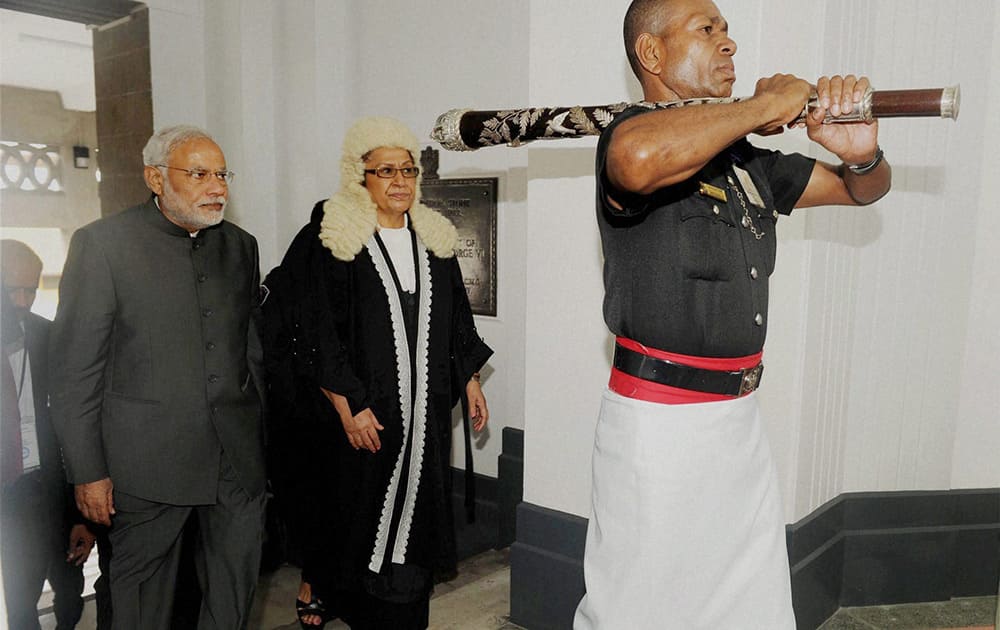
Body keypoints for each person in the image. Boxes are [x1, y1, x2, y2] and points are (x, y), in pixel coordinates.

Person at [573, 1, 891, 628]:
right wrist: (763, 106)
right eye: (707, 29)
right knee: (638, 612)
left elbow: (862, 191)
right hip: (657, 429)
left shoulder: (747, 162)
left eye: (727, 29)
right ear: (652, 55)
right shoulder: (631, 136)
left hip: (739, 424)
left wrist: (860, 155)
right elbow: (636, 164)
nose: (729, 44)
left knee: (752, 607)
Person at [262, 116, 492, 629]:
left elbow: (456, 314)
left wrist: (471, 378)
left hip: (423, 417)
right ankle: (331, 586)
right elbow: (314, 329)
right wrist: (348, 406)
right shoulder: (334, 237)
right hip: (361, 414)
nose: (400, 181)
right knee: (352, 513)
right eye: (385, 170)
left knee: (414, 523)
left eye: (407, 170)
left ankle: (401, 607)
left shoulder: (432, 239)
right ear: (358, 175)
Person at [48, 125, 267, 630]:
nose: (217, 187)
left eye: (221, 174)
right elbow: (75, 373)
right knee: (138, 606)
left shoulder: (241, 246)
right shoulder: (103, 245)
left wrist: (261, 447)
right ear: (155, 177)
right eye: (198, 174)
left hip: (235, 463)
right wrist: (87, 471)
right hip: (145, 467)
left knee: (233, 599)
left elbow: (249, 355)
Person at [1, 240, 96, 630]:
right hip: (12, 489)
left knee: (69, 586)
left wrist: (79, 511)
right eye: (13, 290)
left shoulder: (47, 336)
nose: (23, 300)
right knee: (21, 596)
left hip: (53, 484)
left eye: (31, 289)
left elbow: (70, 419)